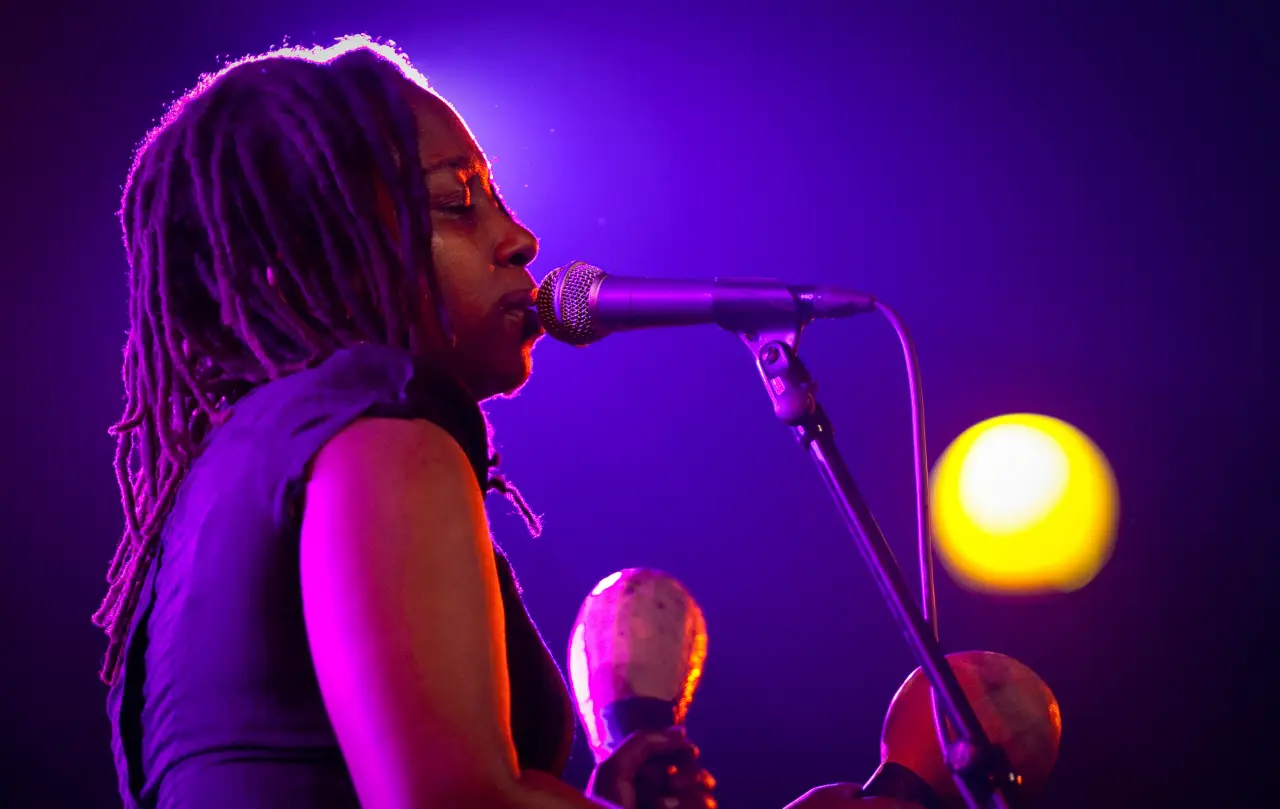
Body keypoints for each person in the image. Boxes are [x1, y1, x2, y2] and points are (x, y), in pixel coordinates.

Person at [95, 34, 894, 809]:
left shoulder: (221, 488)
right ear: (315, 246)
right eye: (457, 201)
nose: (520, 239)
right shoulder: (382, 435)